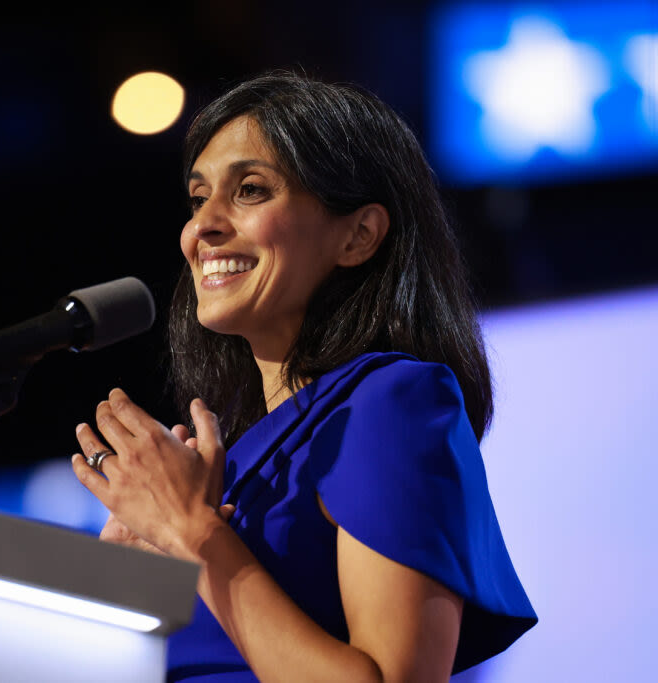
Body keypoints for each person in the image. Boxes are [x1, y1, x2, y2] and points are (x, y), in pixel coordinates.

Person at [70, 70, 537, 682]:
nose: (201, 227)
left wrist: (194, 535)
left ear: (359, 235)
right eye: (198, 197)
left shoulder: (388, 402)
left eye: (251, 190)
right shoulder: (235, 462)